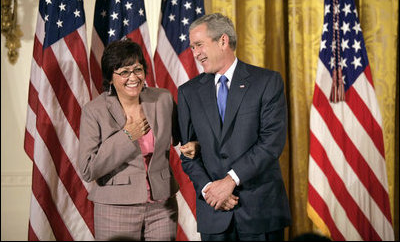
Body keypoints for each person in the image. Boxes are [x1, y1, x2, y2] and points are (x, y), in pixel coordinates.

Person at [178, 13, 292, 241]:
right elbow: (188, 153)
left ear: (223, 41)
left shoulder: (267, 82)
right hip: (215, 212)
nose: (196, 54)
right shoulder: (188, 92)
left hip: (260, 211)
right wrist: (210, 189)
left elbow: (271, 143)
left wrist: (230, 180)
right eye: (192, 47)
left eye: (199, 45)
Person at [78, 39, 196, 241]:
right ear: (110, 77)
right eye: (124, 72)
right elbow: (88, 170)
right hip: (115, 208)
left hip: (162, 206)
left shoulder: (163, 99)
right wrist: (126, 137)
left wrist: (194, 143)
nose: (133, 77)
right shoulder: (94, 111)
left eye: (137, 69)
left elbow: (185, 135)